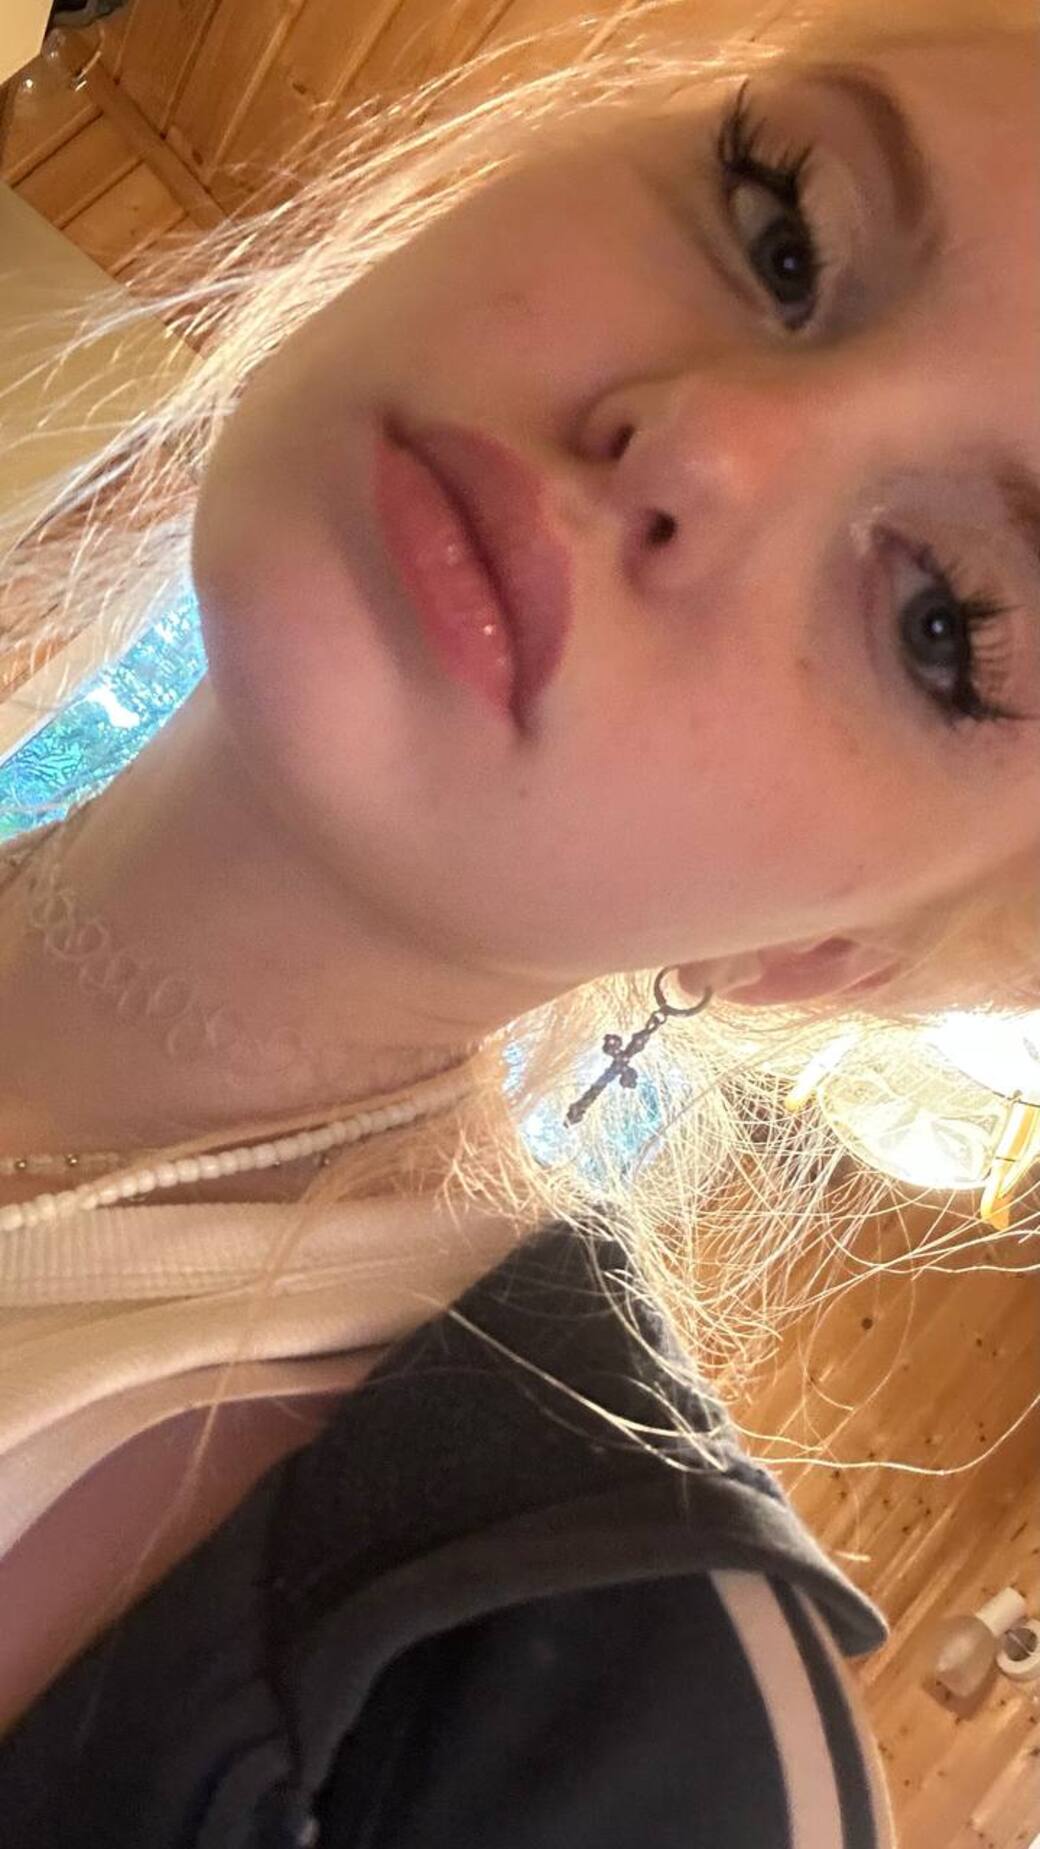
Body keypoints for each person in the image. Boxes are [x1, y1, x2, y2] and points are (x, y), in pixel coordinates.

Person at [0, 0, 1035, 1837]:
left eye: (941, 619)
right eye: (783, 232)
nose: (705, 439)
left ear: (829, 953)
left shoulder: (640, 1753)